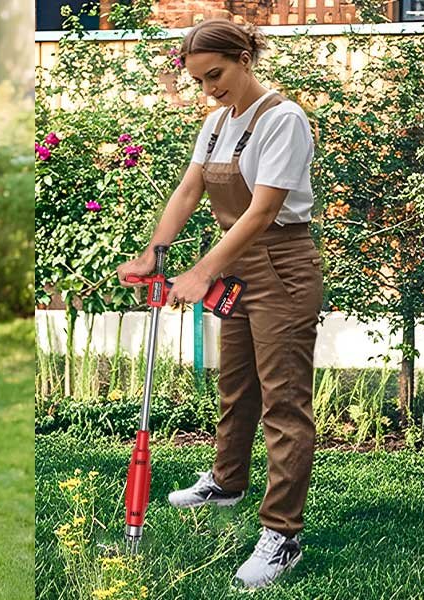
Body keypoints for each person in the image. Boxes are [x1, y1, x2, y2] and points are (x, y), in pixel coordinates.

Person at [116, 19, 322, 589]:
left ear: (244, 58)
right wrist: (157, 253)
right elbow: (190, 190)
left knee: (283, 403)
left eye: (216, 75)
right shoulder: (214, 124)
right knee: (237, 384)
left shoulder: (282, 120)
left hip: (281, 263)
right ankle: (227, 483)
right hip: (236, 266)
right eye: (199, 80)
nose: (209, 89)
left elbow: (260, 211)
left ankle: (283, 535)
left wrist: (201, 271)